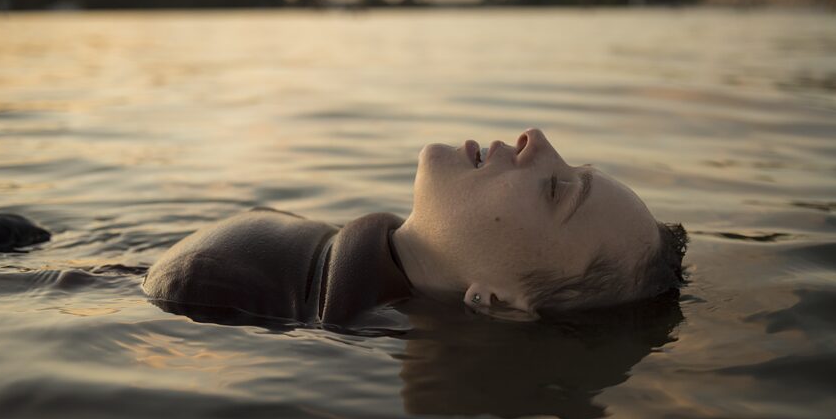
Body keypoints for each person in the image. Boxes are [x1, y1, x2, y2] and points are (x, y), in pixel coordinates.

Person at [142, 128, 687, 326]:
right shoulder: (333, 287)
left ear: (496, 303)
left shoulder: (215, 287)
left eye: (556, 190)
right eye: (575, 167)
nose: (536, 139)